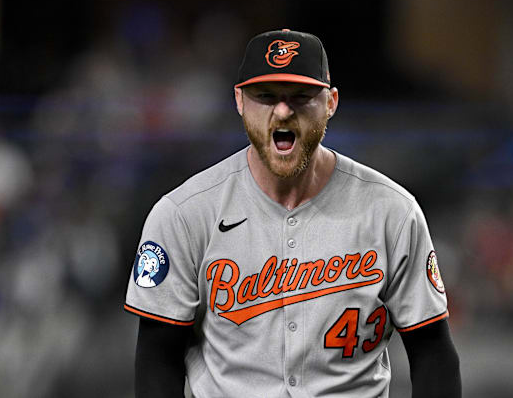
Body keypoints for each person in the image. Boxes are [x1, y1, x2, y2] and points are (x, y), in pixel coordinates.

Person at [125, 28, 461, 398]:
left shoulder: (391, 212)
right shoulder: (184, 214)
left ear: (331, 102)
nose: (283, 111)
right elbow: (157, 360)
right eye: (265, 96)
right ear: (239, 101)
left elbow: (432, 353)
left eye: (301, 96)